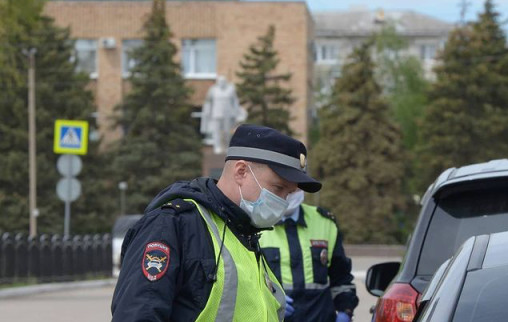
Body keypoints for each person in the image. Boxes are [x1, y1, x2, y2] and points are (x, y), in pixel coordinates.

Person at [111, 124, 322, 321]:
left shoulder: (243, 234)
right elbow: (138, 313)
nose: (283, 201)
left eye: (289, 193)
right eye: (278, 188)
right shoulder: (173, 225)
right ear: (241, 171)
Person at [260, 190, 359, 322]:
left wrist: (345, 311)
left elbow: (341, 277)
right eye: (281, 185)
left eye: (294, 188)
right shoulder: (255, 223)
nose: (288, 192)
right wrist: (267, 299)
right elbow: (245, 282)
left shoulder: (324, 222)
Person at [200, 75, 247, 154]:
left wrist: (236, 113)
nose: (221, 83)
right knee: (216, 132)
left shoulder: (230, 89)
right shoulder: (213, 90)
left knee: (227, 132)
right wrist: (207, 112)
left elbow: (235, 102)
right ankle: (217, 147)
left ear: (225, 82)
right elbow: (208, 102)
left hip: (227, 115)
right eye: (220, 81)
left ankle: (226, 147)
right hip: (216, 114)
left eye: (223, 81)